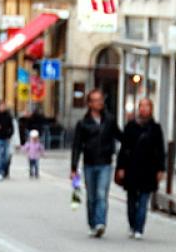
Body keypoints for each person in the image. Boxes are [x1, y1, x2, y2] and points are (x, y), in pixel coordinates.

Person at [70, 88, 123, 237]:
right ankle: (92, 223)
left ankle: (101, 223)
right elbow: (77, 146)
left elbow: (120, 136)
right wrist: (74, 167)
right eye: (96, 100)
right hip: (89, 163)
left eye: (101, 100)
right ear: (89, 103)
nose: (99, 103)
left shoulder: (110, 120)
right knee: (91, 196)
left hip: (105, 162)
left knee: (101, 193)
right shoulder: (83, 123)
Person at [115, 98, 165, 240]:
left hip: (149, 168)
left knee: (143, 200)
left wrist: (161, 169)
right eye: (141, 106)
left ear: (151, 109)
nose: (143, 109)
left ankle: (139, 228)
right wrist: (121, 167)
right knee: (131, 200)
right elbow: (124, 148)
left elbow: (160, 149)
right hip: (131, 167)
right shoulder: (130, 126)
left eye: (146, 106)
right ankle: (132, 224)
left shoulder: (155, 128)